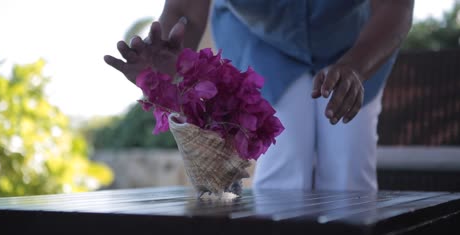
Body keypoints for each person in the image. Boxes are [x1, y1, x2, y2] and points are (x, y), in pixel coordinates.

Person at [105, 0, 414, 191]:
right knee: (286, 155)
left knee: (349, 169)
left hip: (352, 43)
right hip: (261, 41)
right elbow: (186, 8)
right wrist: (165, 61)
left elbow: (395, 5)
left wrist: (356, 67)